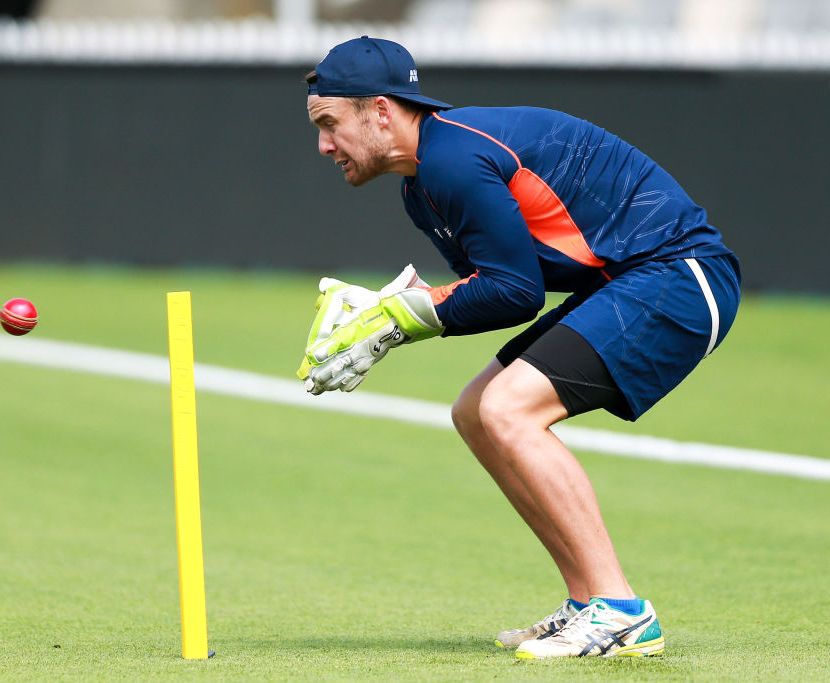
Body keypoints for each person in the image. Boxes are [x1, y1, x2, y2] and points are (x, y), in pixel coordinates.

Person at [297, 36, 740, 660]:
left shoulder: (450, 159)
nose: (322, 145)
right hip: (629, 278)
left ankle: (621, 612)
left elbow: (514, 292)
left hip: (680, 274)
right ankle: (588, 603)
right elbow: (494, 284)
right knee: (475, 412)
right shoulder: (420, 185)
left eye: (328, 124)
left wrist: (400, 319)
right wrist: (401, 306)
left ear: (380, 111)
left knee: (509, 408)